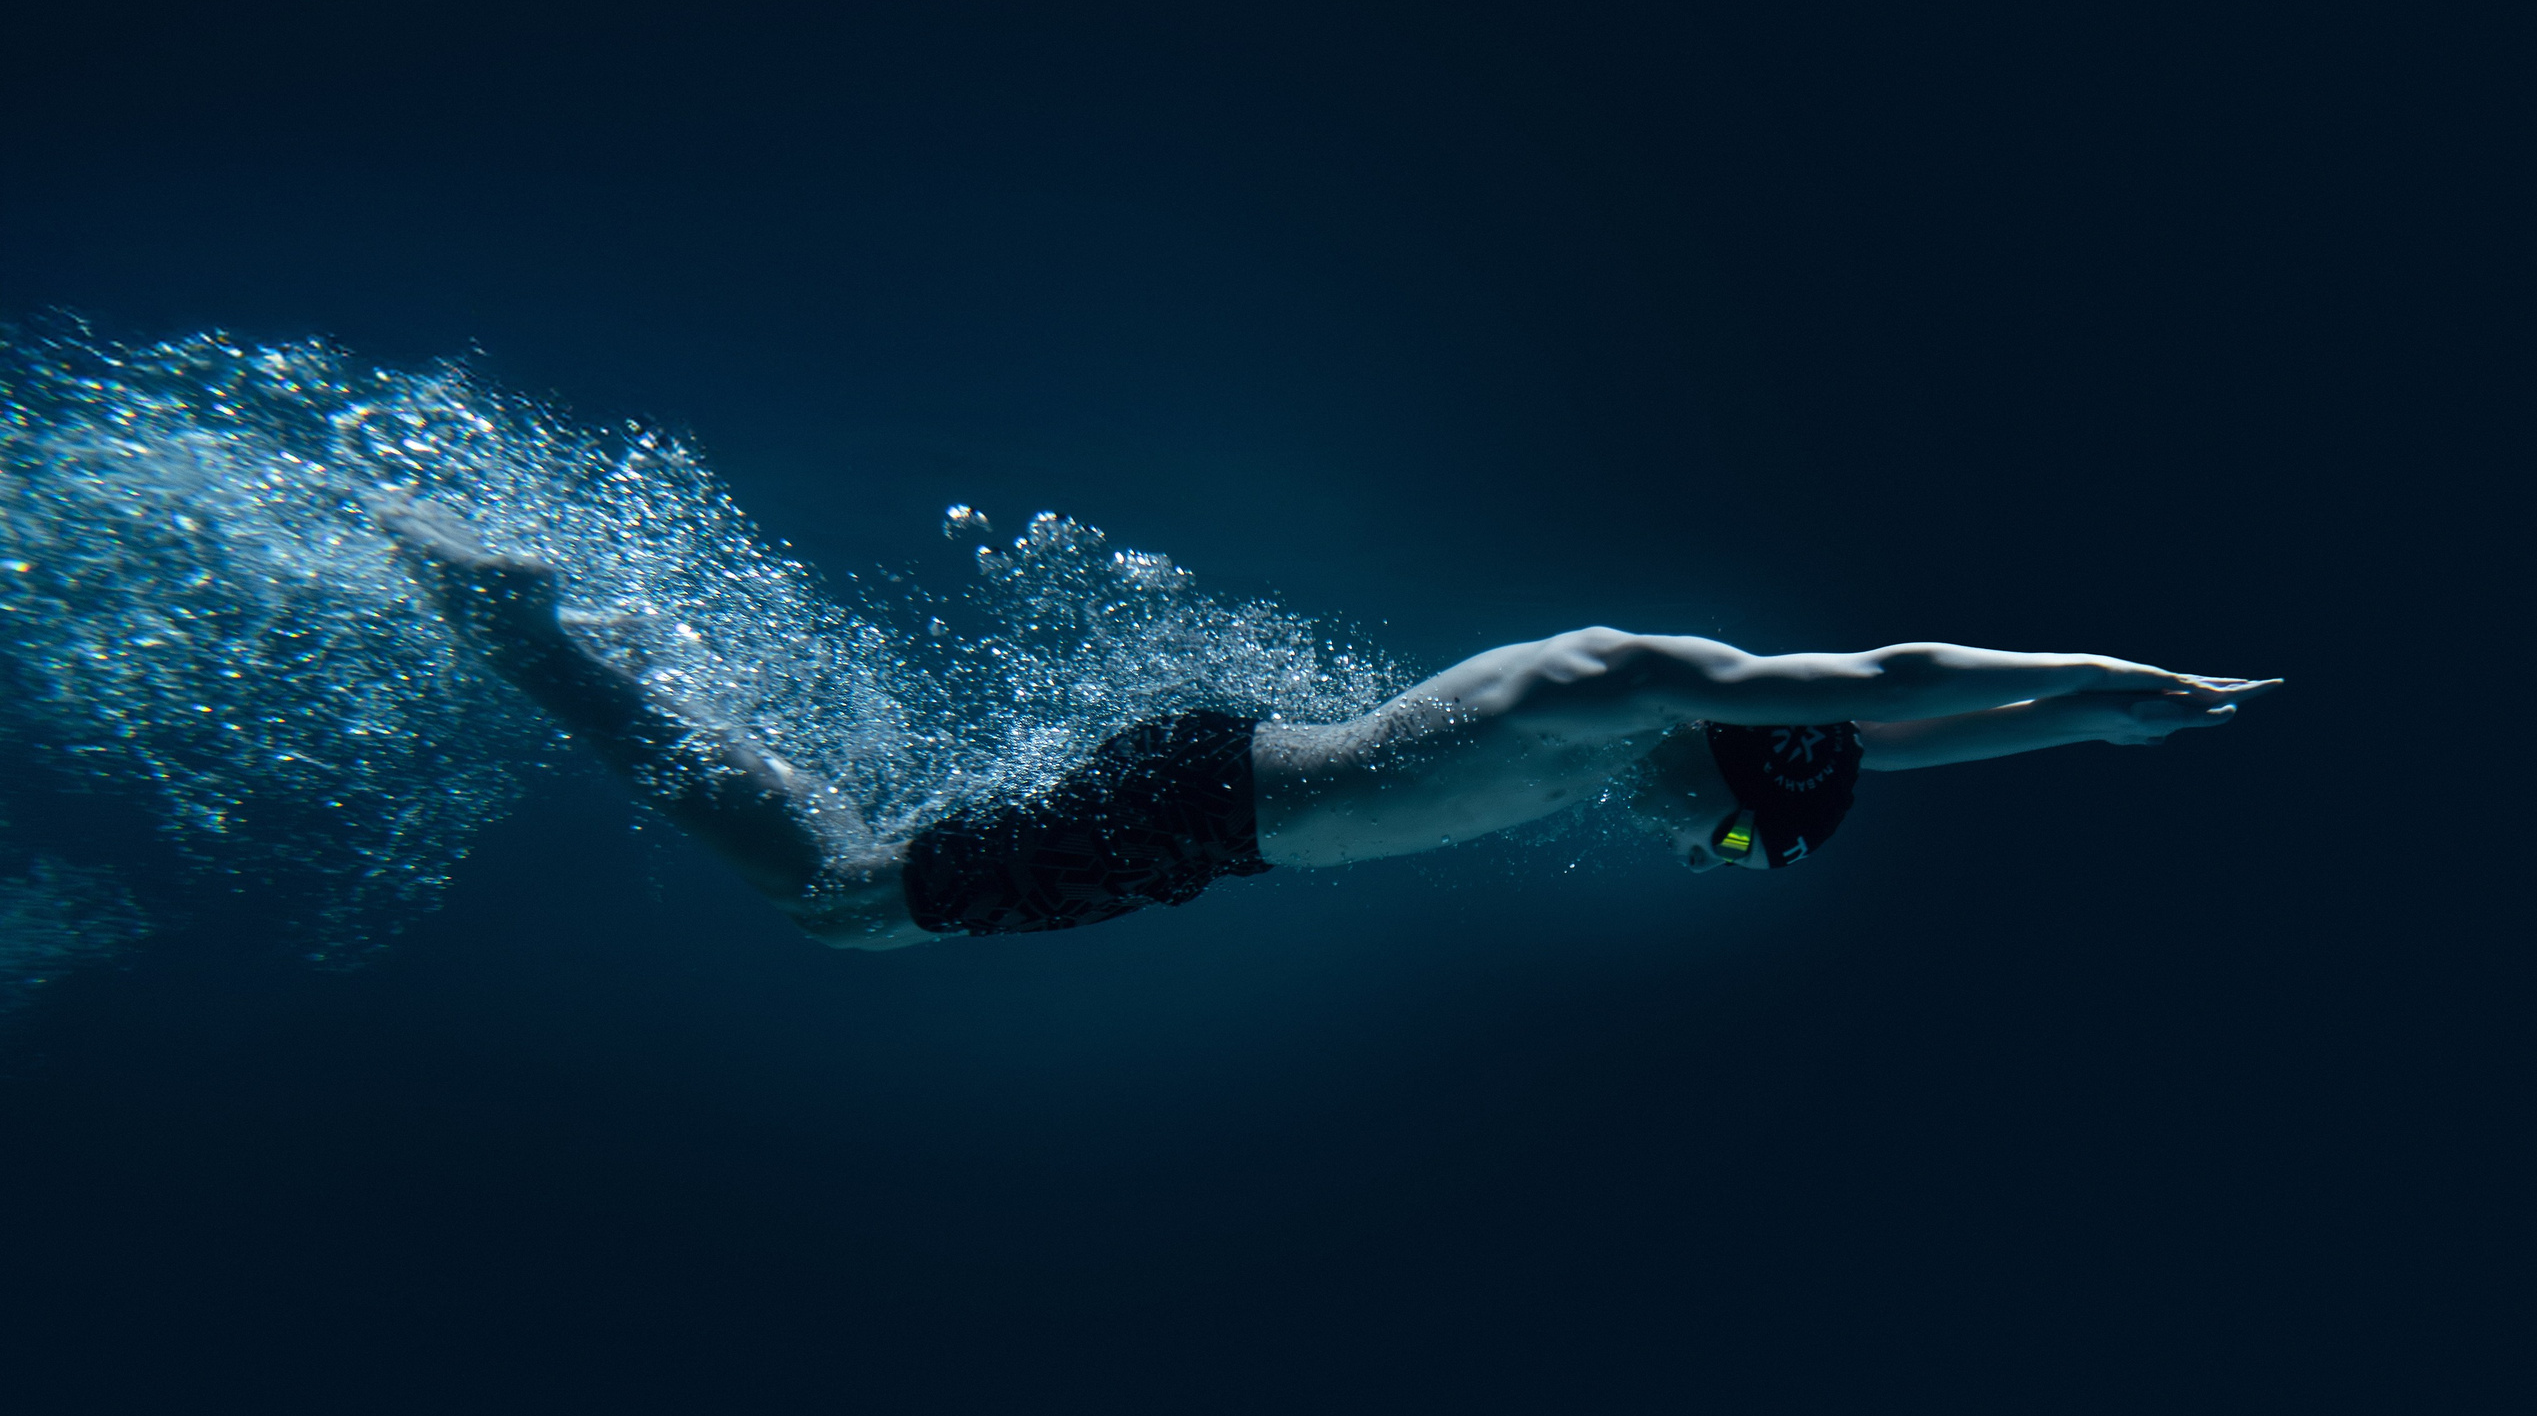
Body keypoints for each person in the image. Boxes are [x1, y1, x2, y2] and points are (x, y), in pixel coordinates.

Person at [380, 499, 2276, 952]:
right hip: (1203, 804)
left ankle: (582, 647)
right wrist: (2121, 677)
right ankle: (530, 635)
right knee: (841, 904)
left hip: (1204, 816)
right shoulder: (1623, 691)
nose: (1691, 845)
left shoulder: (1648, 751)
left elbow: (1889, 746)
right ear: (1725, 761)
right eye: (1728, 836)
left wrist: (2086, 742)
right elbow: (1877, 688)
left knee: (850, 887)